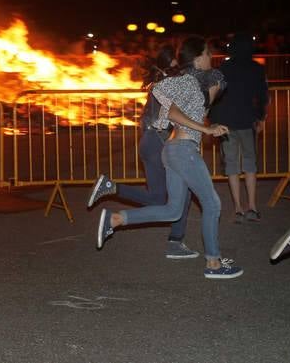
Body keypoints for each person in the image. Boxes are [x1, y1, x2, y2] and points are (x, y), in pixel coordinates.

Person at [96, 36, 243, 279]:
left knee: (173, 210)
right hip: (182, 149)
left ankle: (114, 219)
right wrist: (205, 128)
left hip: (173, 149)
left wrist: (206, 121)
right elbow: (173, 112)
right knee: (213, 203)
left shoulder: (187, 82)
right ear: (197, 57)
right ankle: (214, 264)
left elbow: (179, 107)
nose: (211, 58)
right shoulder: (187, 82)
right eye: (207, 53)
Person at [210, 32, 270, 223]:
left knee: (232, 165)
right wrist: (260, 118)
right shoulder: (257, 69)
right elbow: (262, 97)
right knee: (250, 165)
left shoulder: (224, 67)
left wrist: (214, 120)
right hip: (247, 121)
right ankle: (252, 207)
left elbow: (215, 96)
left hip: (226, 123)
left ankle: (237, 208)